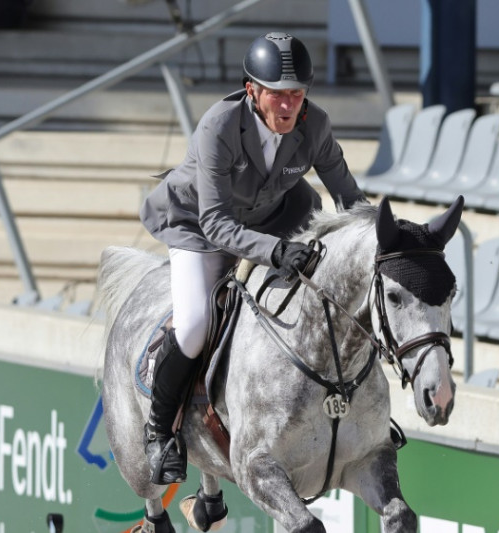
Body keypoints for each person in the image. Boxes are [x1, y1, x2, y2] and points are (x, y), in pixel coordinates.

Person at [138, 32, 368, 485]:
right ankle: (159, 430)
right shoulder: (219, 126)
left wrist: (381, 241)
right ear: (252, 91)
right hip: (198, 226)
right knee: (194, 326)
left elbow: (349, 199)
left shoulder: (314, 124)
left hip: (272, 217)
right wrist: (277, 251)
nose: (288, 107)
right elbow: (219, 224)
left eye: (297, 95)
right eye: (277, 96)